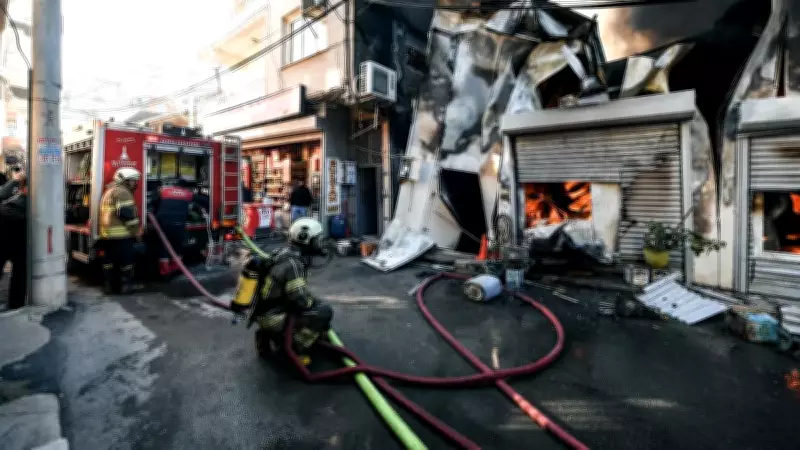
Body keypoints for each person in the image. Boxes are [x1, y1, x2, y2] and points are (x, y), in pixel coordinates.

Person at [231, 217, 333, 364]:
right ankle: (294, 350)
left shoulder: (282, 252)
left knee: (313, 304)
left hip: (262, 313)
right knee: (324, 312)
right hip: (273, 317)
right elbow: (301, 301)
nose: (320, 242)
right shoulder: (293, 264)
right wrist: (317, 308)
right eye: (317, 239)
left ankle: (266, 336)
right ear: (305, 238)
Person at [97, 168, 142, 295]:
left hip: (107, 236)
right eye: (133, 181)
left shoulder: (109, 191)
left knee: (108, 262)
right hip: (121, 236)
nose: (135, 183)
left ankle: (108, 287)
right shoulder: (123, 192)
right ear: (125, 181)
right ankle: (125, 287)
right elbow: (127, 215)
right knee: (126, 262)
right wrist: (136, 232)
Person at [150, 178, 206, 276]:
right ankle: (175, 269)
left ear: (175, 185)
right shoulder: (187, 193)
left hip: (162, 224)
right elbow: (202, 201)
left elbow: (154, 203)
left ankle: (164, 271)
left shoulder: (165, 191)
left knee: (163, 246)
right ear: (185, 187)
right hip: (178, 224)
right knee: (176, 246)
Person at [0, 170, 27, 309]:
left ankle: (16, 303)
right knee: (20, 270)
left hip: (4, 233)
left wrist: (15, 180)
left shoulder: (9, 202)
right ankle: (16, 304)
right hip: (17, 237)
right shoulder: (29, 202)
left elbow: (2, 194)